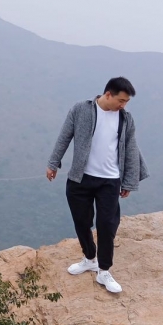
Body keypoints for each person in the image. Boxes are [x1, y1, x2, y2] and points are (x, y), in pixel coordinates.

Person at [46, 77, 148, 294]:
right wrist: (53, 163)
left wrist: (129, 181)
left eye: (127, 102)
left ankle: (104, 270)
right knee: (82, 222)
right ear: (108, 94)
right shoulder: (81, 110)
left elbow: (131, 149)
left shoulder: (125, 119)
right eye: (121, 100)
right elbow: (65, 136)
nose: (123, 105)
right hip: (80, 178)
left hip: (110, 180)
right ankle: (89, 258)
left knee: (107, 225)